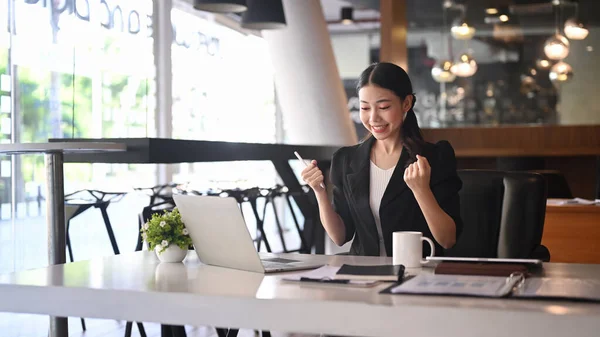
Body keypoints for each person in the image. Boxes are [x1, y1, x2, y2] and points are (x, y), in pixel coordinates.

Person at [301, 62, 462, 257]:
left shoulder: (435, 157)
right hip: (363, 274)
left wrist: (421, 190)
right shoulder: (346, 159)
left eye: (384, 107)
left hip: (415, 274)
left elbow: (447, 239)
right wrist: (319, 192)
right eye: (365, 108)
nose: (373, 118)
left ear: (406, 103)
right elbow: (340, 236)